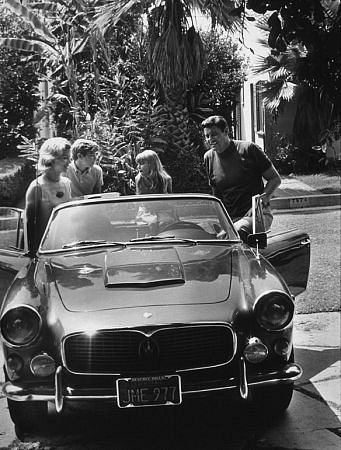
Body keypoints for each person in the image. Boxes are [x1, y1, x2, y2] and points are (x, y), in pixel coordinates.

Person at [202, 115, 281, 241]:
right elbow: (217, 195)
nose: (210, 139)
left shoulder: (248, 149)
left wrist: (260, 202)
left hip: (255, 216)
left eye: (214, 134)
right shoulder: (208, 158)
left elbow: (275, 179)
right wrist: (221, 221)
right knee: (202, 237)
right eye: (207, 136)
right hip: (229, 218)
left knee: (236, 233)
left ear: (226, 131)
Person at [25, 137, 72, 255]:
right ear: (50, 159)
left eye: (69, 158)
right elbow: (29, 223)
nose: (68, 162)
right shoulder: (37, 187)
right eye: (64, 158)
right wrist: (33, 252)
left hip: (65, 246)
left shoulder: (66, 183)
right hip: (45, 250)